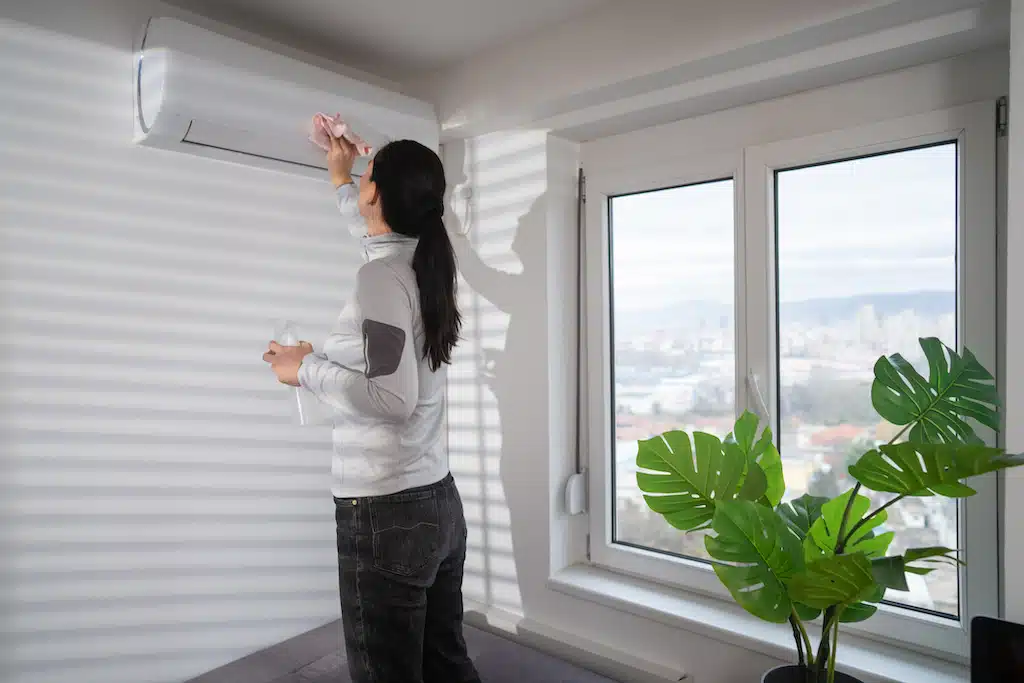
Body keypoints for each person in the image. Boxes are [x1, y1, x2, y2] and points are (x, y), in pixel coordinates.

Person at [262, 131, 480, 683]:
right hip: (436, 504)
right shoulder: (422, 263)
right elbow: (377, 244)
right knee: (446, 663)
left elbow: (391, 397)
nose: (359, 182)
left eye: (364, 176)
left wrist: (304, 369)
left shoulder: (382, 278)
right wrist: (341, 177)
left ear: (376, 192)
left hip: (386, 512)